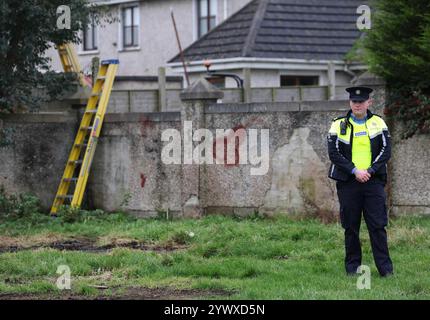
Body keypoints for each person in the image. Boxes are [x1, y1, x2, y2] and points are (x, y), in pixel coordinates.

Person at [327, 86, 394, 277]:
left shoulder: (378, 123)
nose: (357, 104)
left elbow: (386, 151)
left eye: (361, 101)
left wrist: (370, 171)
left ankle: (386, 270)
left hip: (373, 181)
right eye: (354, 102)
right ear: (350, 103)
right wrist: (355, 171)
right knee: (350, 227)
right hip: (348, 182)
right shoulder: (338, 124)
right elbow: (334, 153)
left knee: (378, 226)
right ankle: (352, 269)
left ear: (369, 103)